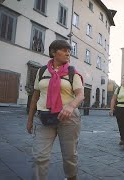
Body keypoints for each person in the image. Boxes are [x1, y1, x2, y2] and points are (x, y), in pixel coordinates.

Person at [26, 40, 84, 180]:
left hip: (68, 118)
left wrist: (70, 106)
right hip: (44, 117)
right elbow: (35, 97)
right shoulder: (41, 71)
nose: (68, 53)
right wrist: (30, 120)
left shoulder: (72, 72)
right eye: (64, 50)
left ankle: (71, 177)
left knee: (69, 156)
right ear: (53, 52)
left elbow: (81, 95)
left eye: (69, 51)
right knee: (39, 156)